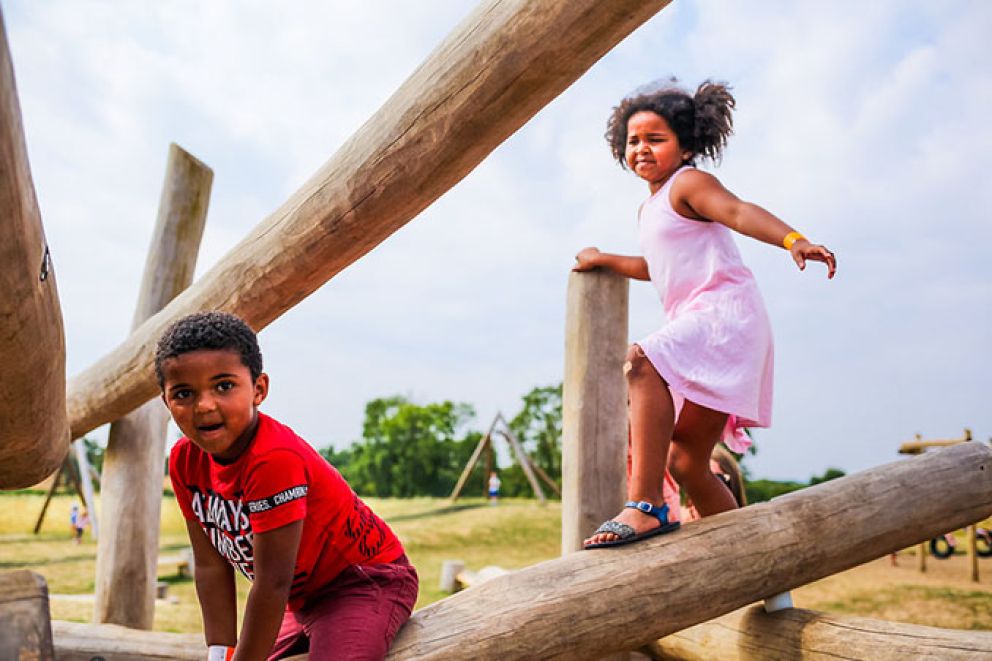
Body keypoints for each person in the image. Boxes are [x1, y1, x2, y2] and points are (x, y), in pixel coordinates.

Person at [578, 79, 836, 548]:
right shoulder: (649, 208)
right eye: (633, 141)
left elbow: (736, 211)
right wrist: (604, 260)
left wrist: (794, 240)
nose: (642, 149)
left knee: (643, 361)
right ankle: (757, 558)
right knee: (686, 460)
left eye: (656, 139)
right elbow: (656, 269)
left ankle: (647, 505)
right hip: (715, 327)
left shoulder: (689, 183)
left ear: (686, 144)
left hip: (725, 317)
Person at [159, 311, 418, 660]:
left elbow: (272, 583)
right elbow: (210, 566)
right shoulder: (184, 461)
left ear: (259, 389)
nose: (204, 405)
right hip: (300, 601)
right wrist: (219, 653)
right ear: (166, 401)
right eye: (184, 393)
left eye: (224, 386)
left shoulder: (273, 458)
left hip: (362, 582)